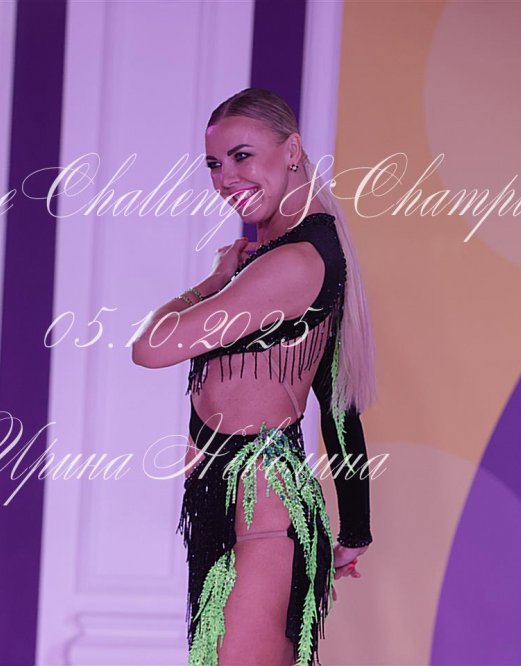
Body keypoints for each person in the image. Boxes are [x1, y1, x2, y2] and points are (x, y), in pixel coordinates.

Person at [132, 87, 377, 666]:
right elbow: (337, 400)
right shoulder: (293, 249)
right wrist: (355, 530)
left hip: (261, 512)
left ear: (291, 151)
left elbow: (151, 347)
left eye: (242, 156)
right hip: (231, 505)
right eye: (214, 164)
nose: (225, 178)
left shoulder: (293, 261)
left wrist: (213, 282)